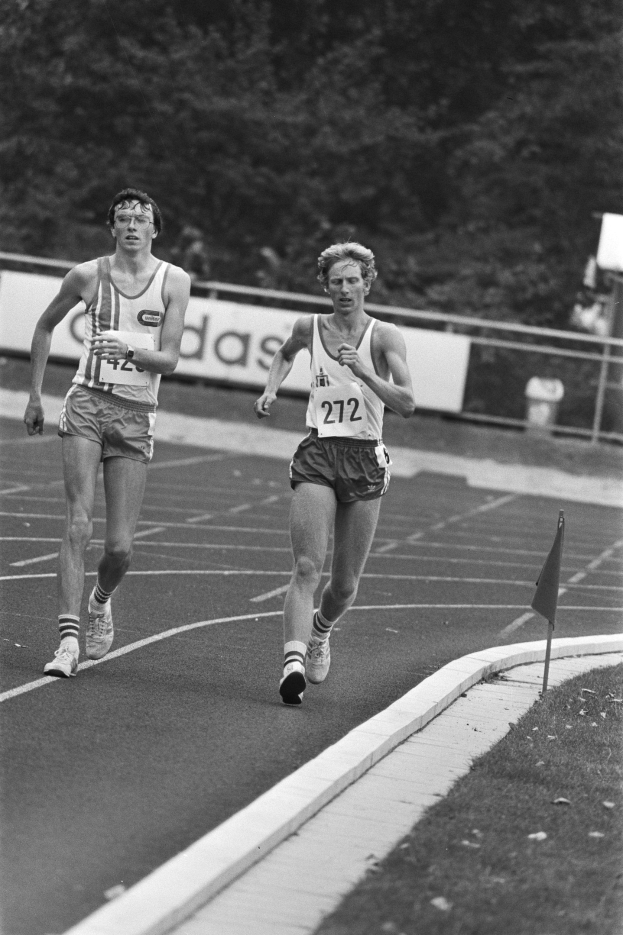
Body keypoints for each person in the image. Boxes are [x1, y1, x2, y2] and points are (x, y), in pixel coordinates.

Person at [23, 188, 191, 678]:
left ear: (155, 230)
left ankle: (101, 600)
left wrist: (131, 353)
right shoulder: (86, 275)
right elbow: (43, 326)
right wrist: (35, 394)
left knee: (120, 549)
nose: (132, 226)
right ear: (112, 228)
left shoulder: (174, 281)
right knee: (78, 524)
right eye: (123, 219)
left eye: (141, 219)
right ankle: (68, 641)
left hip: (136, 414)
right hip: (87, 404)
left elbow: (172, 359)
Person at [254, 242, 415, 705]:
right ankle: (293, 664)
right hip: (318, 452)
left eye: (353, 281)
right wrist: (271, 389)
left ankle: (321, 630)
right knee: (306, 566)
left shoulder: (385, 338)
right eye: (336, 282)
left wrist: (365, 372)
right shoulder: (309, 327)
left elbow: (405, 403)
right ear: (324, 286)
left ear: (368, 283)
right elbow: (285, 354)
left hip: (365, 457)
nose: (345, 289)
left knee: (343, 585)